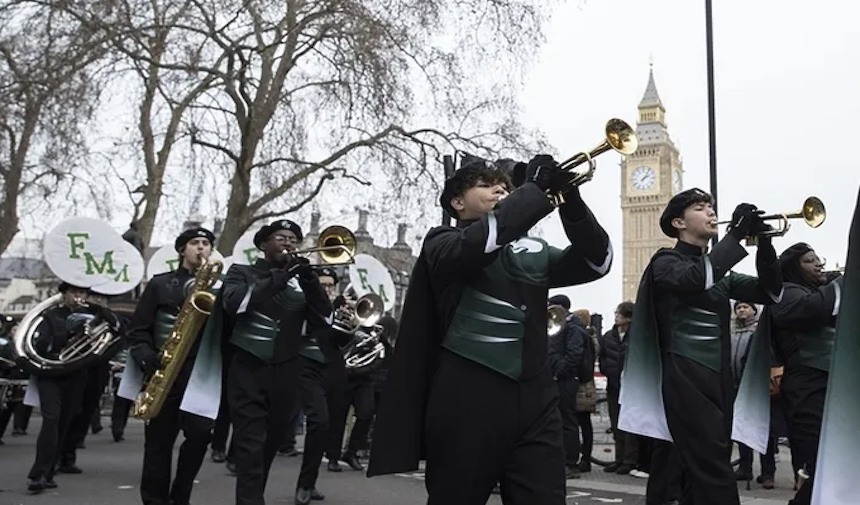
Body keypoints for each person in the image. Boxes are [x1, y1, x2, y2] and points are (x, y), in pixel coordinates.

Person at [369, 154, 613, 505]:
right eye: (485, 185)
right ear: (457, 202)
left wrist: (570, 201)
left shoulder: (533, 250)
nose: (500, 188)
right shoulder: (443, 241)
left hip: (535, 400)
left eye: (505, 186)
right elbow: (480, 244)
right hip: (466, 395)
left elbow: (598, 261)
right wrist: (531, 191)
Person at [618, 189, 783, 505]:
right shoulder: (665, 262)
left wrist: (765, 243)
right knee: (712, 464)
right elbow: (695, 278)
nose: (710, 212)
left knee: (676, 463)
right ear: (679, 222)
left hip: (716, 378)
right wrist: (735, 234)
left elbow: (771, 293)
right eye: (700, 207)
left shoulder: (721, 274)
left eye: (711, 207)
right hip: (682, 373)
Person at [222, 219, 332, 505]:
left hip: (286, 372)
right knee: (250, 446)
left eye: (293, 240)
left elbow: (325, 318)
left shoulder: (300, 283)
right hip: (248, 368)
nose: (289, 244)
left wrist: (309, 280)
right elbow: (238, 304)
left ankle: (253, 496)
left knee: (269, 445)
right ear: (263, 245)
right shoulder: (241, 272)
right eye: (281, 238)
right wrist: (282, 276)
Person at [123, 227, 223, 505]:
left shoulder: (221, 287)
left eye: (206, 244)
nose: (201, 248)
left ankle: (180, 496)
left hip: (200, 375)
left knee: (201, 436)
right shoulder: (160, 284)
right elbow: (139, 328)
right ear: (182, 250)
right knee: (158, 444)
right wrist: (145, 355)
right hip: (164, 371)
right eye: (195, 243)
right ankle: (154, 500)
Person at [766, 243, 842, 505]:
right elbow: (815, 308)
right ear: (794, 269)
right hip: (807, 392)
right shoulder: (786, 294)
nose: (819, 263)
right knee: (823, 463)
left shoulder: (819, 292)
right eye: (810, 260)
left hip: (830, 390)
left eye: (819, 258)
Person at [26, 282, 117, 493]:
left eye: (82, 293)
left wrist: (100, 310)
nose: (79, 296)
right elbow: (40, 346)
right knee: (51, 420)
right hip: (50, 374)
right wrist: (68, 333)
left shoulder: (93, 317)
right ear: (64, 294)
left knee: (64, 423)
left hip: (77, 376)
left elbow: (116, 329)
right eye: (74, 292)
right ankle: (38, 473)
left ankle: (49, 472)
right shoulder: (50, 316)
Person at [293, 266, 343, 504]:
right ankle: (303, 484)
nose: (326, 289)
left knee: (325, 426)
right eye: (322, 285)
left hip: (332, 370)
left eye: (330, 286)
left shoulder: (339, 308)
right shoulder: (304, 303)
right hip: (306, 367)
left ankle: (309, 483)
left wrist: (350, 323)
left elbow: (342, 342)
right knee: (318, 421)